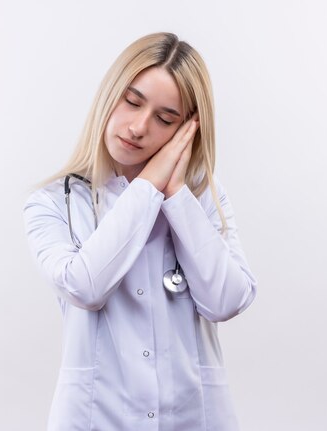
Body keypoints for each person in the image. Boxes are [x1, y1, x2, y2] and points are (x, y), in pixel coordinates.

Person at [23, 32, 257, 431]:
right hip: (97, 419)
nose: (138, 127)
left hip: (193, 418)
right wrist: (149, 186)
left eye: (165, 119)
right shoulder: (52, 203)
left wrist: (176, 195)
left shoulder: (201, 200)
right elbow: (85, 287)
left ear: (187, 131)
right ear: (109, 95)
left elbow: (227, 300)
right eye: (132, 102)